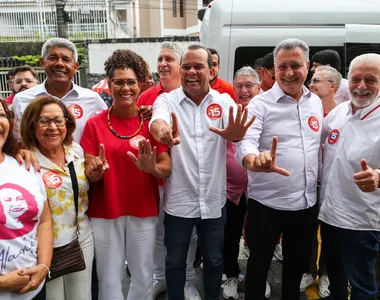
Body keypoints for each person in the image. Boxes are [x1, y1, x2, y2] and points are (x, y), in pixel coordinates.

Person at [149, 44, 254, 300]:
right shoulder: (167, 99)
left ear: (212, 70)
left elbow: (237, 132)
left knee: (214, 259)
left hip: (213, 201)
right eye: (186, 67)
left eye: (199, 67)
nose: (192, 72)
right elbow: (157, 121)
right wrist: (162, 130)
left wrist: (237, 135)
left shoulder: (223, 101)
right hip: (179, 201)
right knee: (174, 261)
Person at [80, 49, 172, 300]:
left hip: (144, 210)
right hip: (105, 210)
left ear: (140, 84)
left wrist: (151, 168)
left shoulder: (151, 123)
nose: (125, 88)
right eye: (118, 82)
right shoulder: (95, 124)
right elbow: (89, 168)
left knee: (143, 275)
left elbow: (166, 166)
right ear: (109, 85)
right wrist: (95, 172)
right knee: (108, 277)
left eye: (131, 82)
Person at [236, 38, 322, 299]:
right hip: (268, 205)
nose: (288, 73)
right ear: (274, 68)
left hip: (305, 205)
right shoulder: (260, 105)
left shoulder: (314, 102)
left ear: (307, 67)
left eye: (295, 65)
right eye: (282, 66)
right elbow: (247, 142)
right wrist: (254, 160)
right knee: (258, 267)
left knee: (295, 270)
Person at [137, 41, 201, 300]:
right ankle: (159, 277)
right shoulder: (145, 97)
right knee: (159, 234)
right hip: (154, 179)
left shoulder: (197, 95)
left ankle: (186, 280)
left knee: (190, 237)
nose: (163, 64)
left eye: (169, 59)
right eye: (160, 59)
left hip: (187, 180)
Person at [20, 96, 95, 300]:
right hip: (42, 247)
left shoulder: (76, 151)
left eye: (58, 120)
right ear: (31, 125)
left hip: (81, 238)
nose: (52, 127)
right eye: (44, 121)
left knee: (82, 296)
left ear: (67, 123)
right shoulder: (24, 159)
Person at [318, 53, 380, 300]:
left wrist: (378, 176)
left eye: (371, 80)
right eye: (356, 79)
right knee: (335, 281)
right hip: (329, 215)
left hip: (360, 221)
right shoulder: (339, 112)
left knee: (362, 286)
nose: (361, 86)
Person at [222, 66, 272, 299]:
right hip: (230, 189)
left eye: (249, 85)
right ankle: (231, 275)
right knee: (230, 236)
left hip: (259, 189)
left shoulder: (267, 111)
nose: (244, 90)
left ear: (258, 87)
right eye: (239, 86)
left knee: (260, 237)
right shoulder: (226, 112)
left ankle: (258, 278)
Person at [0, 98, 53, 300]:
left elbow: (44, 220)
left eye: (1, 115)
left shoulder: (26, 165)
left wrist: (43, 266)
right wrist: (3, 283)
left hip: (33, 291)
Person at [13, 37, 107, 142]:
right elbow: (17, 140)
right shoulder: (22, 99)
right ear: (42, 62)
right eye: (53, 58)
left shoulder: (92, 99)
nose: (59, 64)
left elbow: (105, 134)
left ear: (75, 66)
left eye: (66, 59)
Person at [299, 65, 341, 298]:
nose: (311, 85)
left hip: (333, 187)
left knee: (329, 233)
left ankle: (326, 274)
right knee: (307, 231)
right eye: (311, 81)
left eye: (317, 81)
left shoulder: (342, 114)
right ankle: (308, 271)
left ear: (332, 86)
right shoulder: (307, 111)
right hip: (307, 186)